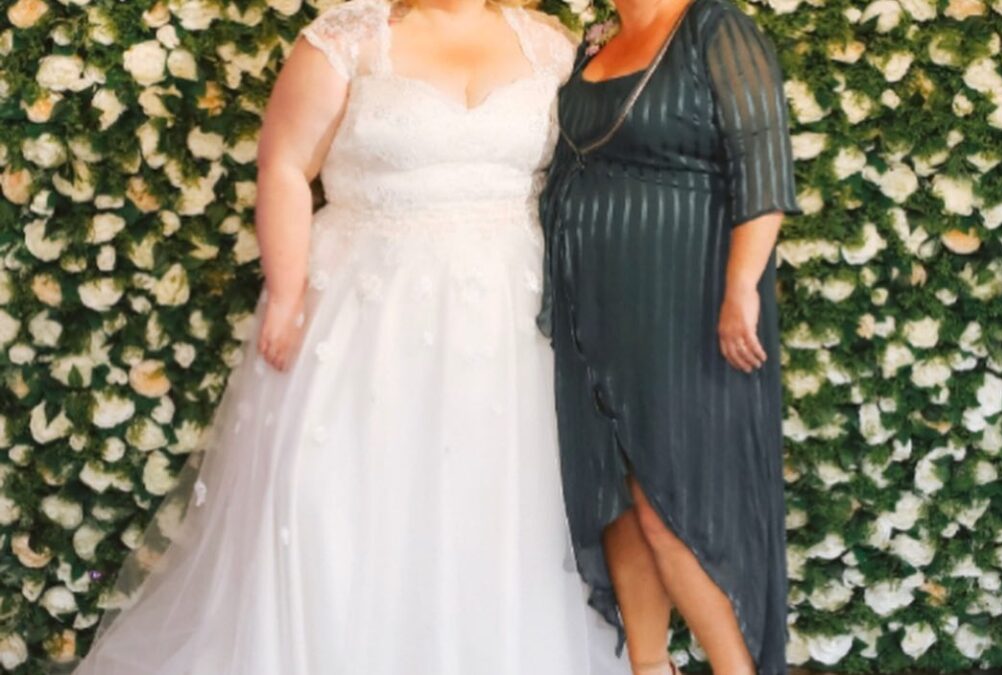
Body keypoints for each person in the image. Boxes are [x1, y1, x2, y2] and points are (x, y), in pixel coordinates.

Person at [72, 0, 623, 672]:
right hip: (368, 312)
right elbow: (283, 164)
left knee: (492, 504)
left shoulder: (551, 45)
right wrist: (285, 292)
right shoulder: (346, 39)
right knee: (339, 499)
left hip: (512, 319)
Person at [540, 0, 799, 672]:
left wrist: (741, 288)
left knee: (673, 504)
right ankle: (650, 665)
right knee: (615, 497)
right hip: (593, 313)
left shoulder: (714, 28)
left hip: (686, 309)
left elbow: (763, 163)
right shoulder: (597, 41)